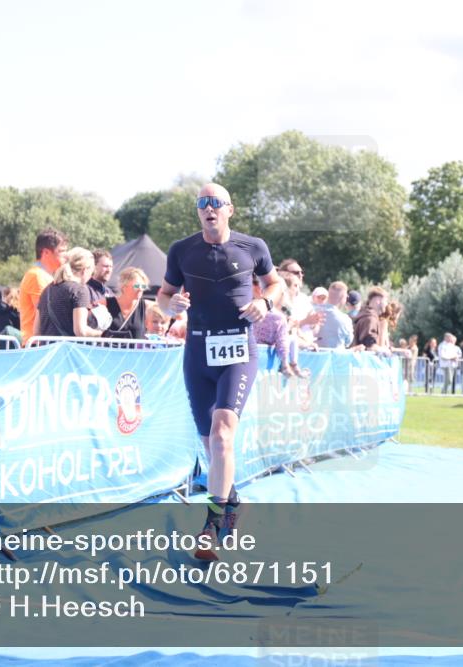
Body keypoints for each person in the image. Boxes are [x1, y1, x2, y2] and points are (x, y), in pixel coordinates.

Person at [157, 183, 283, 561]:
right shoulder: (182, 250)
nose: (209, 209)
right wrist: (170, 304)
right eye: (202, 204)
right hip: (197, 349)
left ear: (230, 209)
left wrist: (265, 302)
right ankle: (232, 500)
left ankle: (211, 525)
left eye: (215, 203)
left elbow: (275, 284)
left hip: (237, 349)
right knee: (209, 441)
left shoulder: (252, 247)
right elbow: (163, 296)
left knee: (223, 433)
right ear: (198, 211)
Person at [33, 247, 102, 340]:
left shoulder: (47, 290)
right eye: (92, 272)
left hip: (48, 351)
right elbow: (80, 331)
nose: (91, 276)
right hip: (69, 351)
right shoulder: (80, 290)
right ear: (85, 270)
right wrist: (101, 333)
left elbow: (36, 331)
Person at [20, 228, 68, 345]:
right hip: (36, 345)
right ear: (46, 252)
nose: (66, 256)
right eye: (61, 251)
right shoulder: (37, 276)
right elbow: (46, 314)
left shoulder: (44, 275)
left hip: (42, 343)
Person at [103, 267, 149, 339]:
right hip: (109, 350)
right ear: (124, 287)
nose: (141, 289)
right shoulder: (105, 303)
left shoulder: (147, 306)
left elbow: (166, 315)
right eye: (137, 286)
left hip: (137, 350)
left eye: (143, 286)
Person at [315, 281, 354, 350]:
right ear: (342, 298)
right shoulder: (345, 319)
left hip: (313, 357)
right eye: (346, 296)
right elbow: (348, 341)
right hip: (336, 358)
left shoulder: (313, 311)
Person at [351, 286, 388, 353]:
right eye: (385, 300)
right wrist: (386, 352)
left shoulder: (366, 315)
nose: (386, 304)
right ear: (378, 301)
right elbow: (370, 346)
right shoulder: (370, 318)